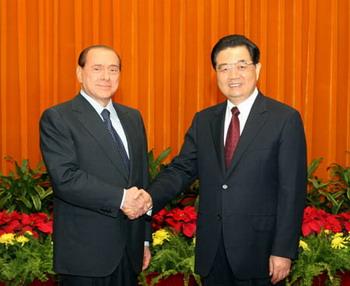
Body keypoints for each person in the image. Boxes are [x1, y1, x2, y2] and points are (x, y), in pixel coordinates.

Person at [147, 34, 307, 285]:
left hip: (260, 253)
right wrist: (148, 199)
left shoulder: (284, 119)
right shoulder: (204, 120)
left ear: (258, 69)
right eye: (224, 68)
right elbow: (181, 169)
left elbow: (292, 191)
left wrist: (283, 250)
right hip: (213, 253)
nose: (233, 75)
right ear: (216, 73)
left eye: (242, 66)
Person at [39, 45, 152, 286]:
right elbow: (65, 179)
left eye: (113, 69)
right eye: (97, 68)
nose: (106, 76)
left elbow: (141, 179)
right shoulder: (58, 118)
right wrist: (121, 198)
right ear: (79, 73)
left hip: (129, 253)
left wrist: (144, 240)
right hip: (85, 256)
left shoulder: (133, 118)